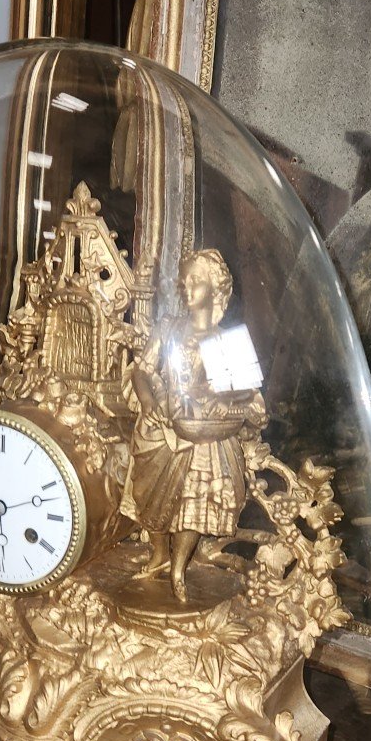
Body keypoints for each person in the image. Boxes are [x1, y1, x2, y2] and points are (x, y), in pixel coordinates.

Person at [121, 249, 252, 603]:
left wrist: (220, 398)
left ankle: (179, 568)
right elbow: (142, 371)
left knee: (194, 499)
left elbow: (247, 396)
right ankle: (159, 554)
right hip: (161, 427)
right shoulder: (168, 328)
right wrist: (148, 402)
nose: (186, 287)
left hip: (204, 435)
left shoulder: (228, 340)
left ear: (216, 289)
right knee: (150, 495)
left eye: (196, 281)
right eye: (184, 281)